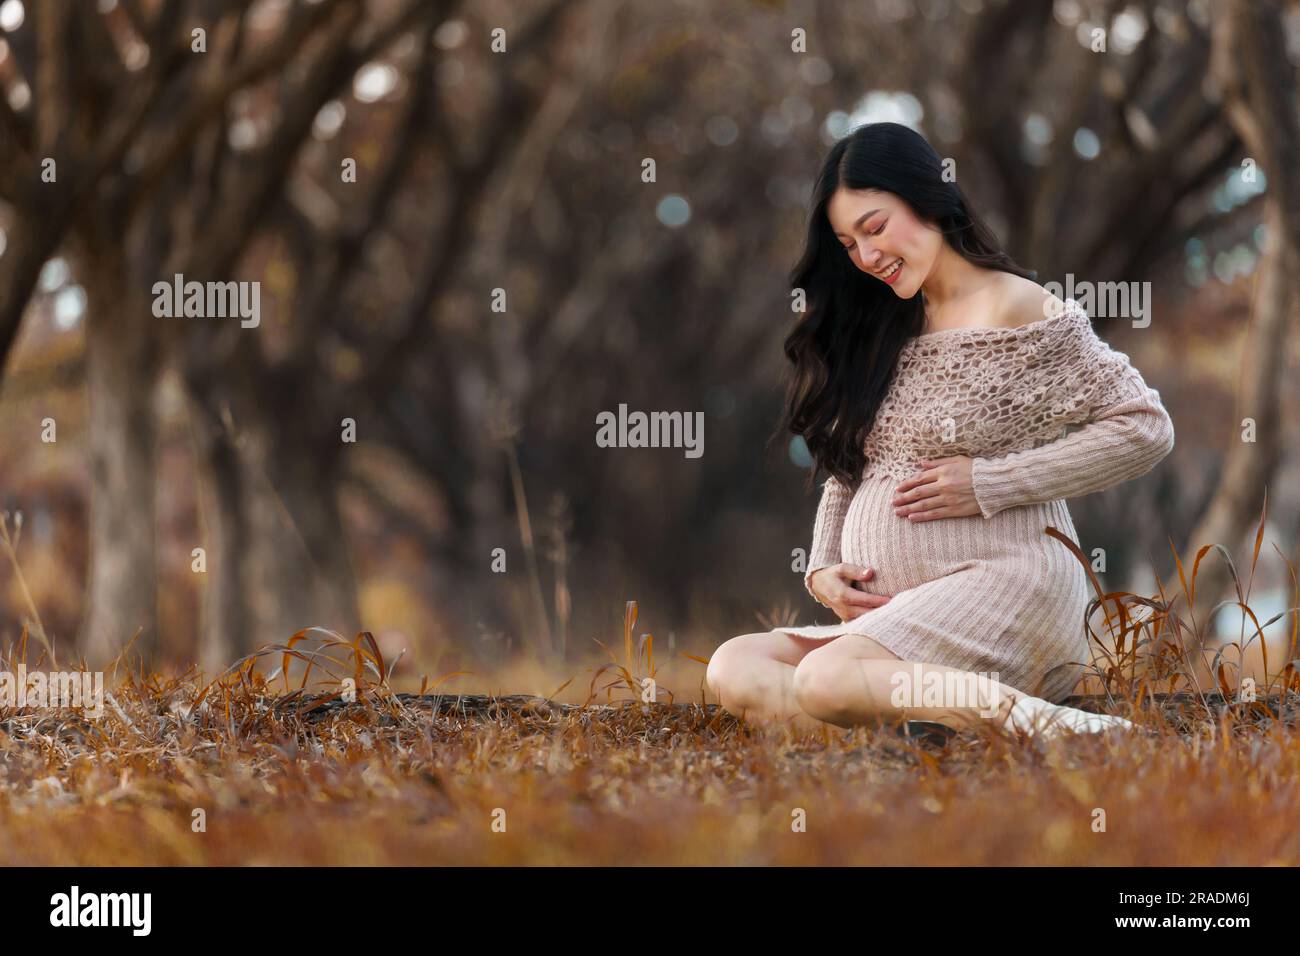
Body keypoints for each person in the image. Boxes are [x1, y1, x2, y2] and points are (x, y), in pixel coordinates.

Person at [706, 122, 1174, 740]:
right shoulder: (883, 326)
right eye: (848, 244)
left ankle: (1067, 731)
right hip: (903, 617)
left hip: (1009, 587)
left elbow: (1144, 427)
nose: (866, 256)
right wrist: (823, 564)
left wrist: (991, 481)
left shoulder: (1017, 306)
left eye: (874, 228)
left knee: (825, 680)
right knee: (734, 665)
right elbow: (857, 463)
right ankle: (929, 730)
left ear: (929, 197)